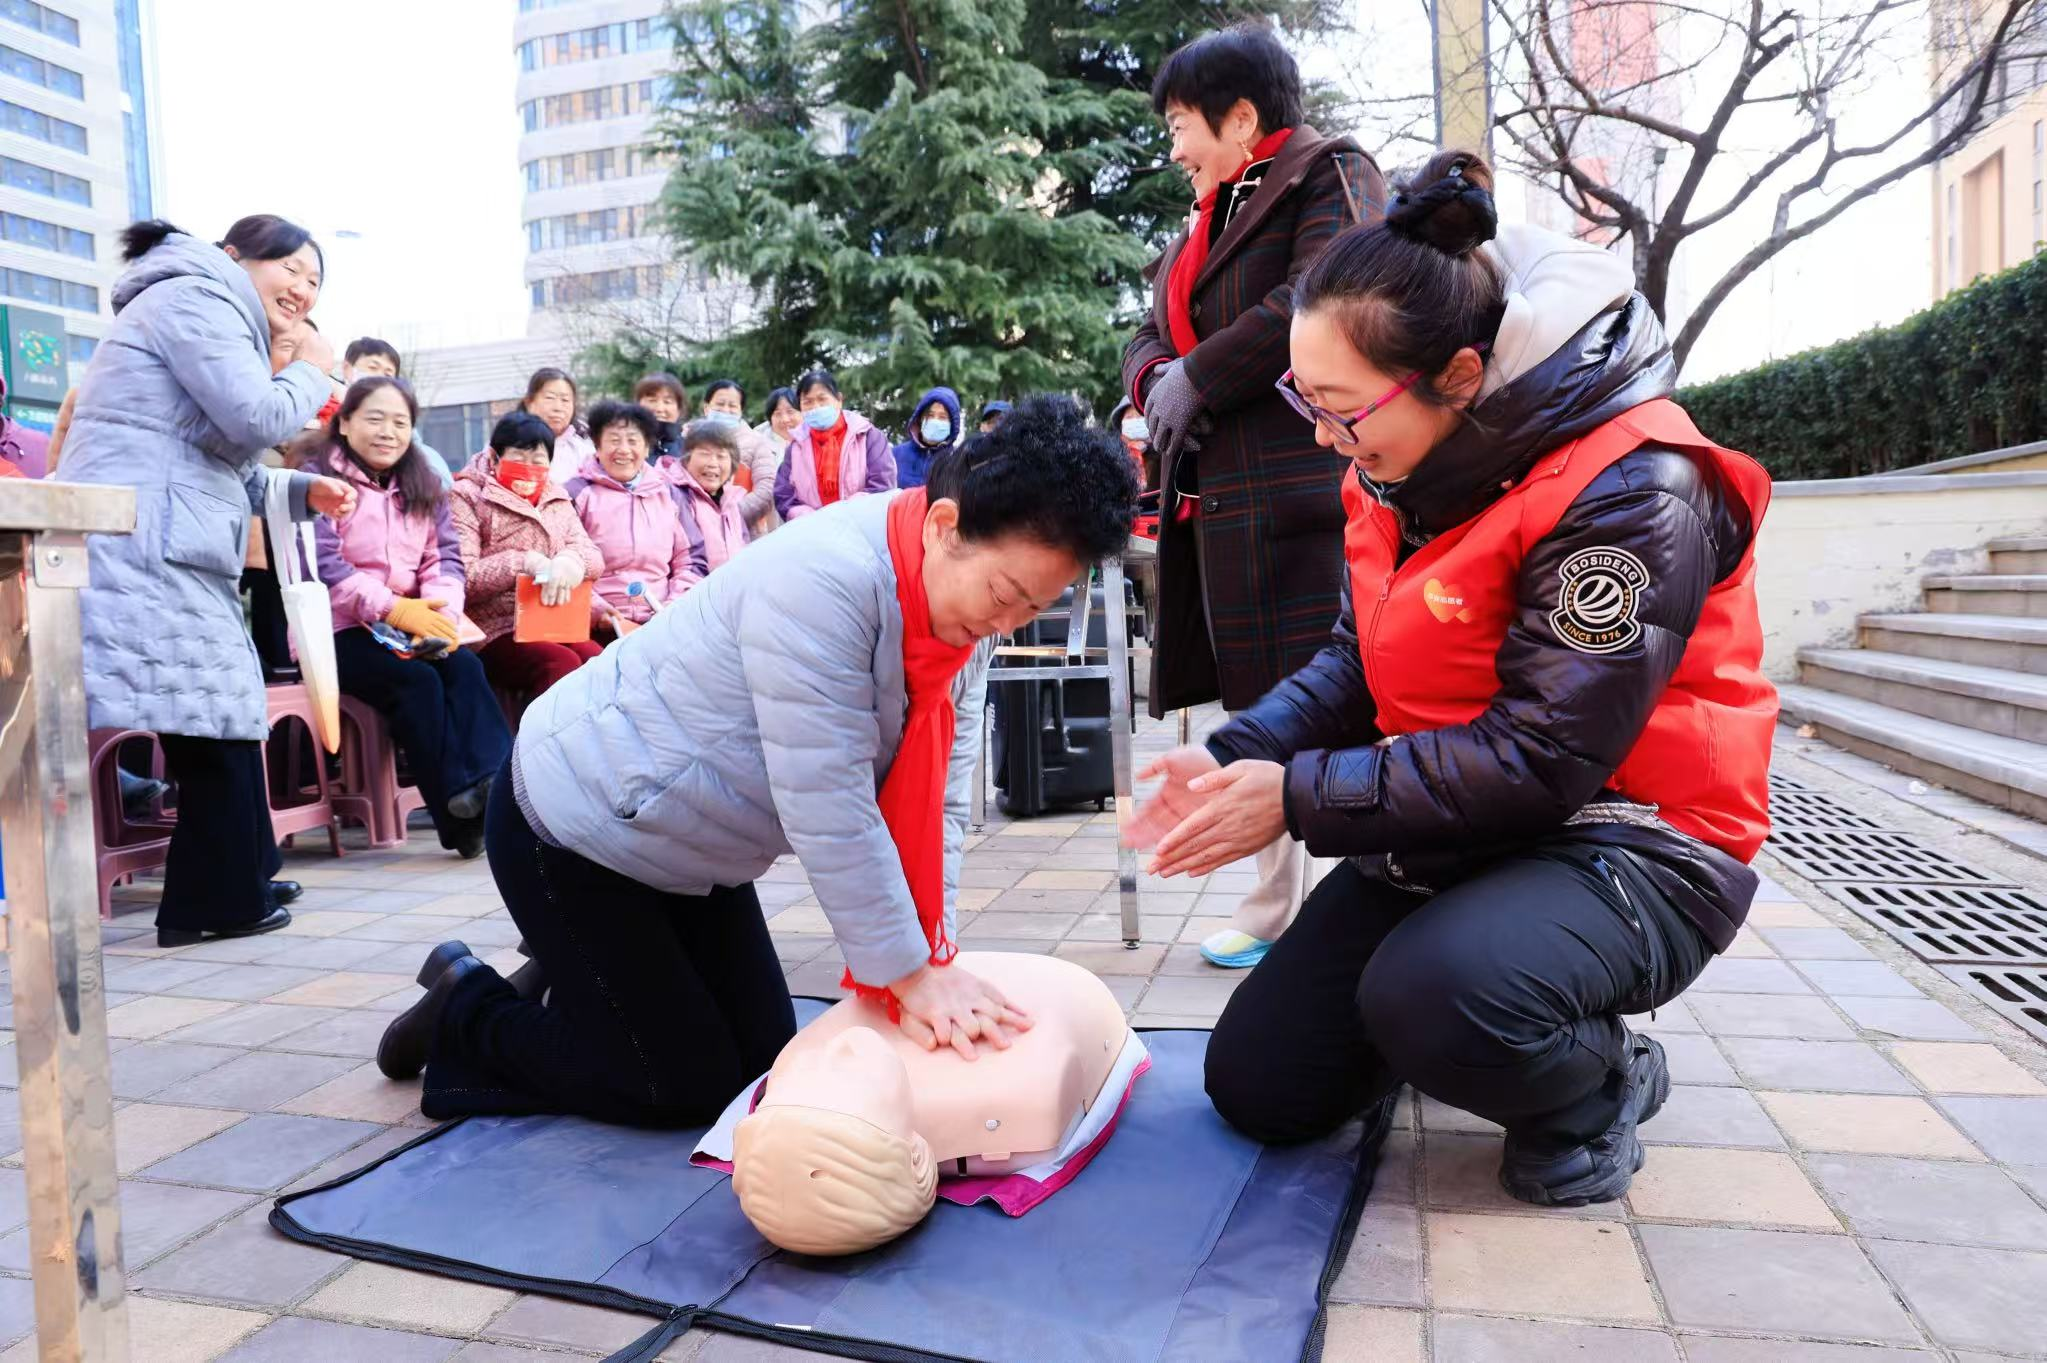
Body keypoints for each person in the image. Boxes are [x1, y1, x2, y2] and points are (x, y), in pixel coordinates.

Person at [1128, 152, 1775, 1207]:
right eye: (1309, 400)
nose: (1326, 435)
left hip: (1632, 839)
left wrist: (1294, 800)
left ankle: (1596, 1082)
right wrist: (1234, 757)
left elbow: (1545, 755)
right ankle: (1462, 1008)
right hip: (1459, 824)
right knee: (1261, 1085)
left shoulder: (1632, 489)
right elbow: (1354, 663)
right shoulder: (1392, 466)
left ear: (1462, 379)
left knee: (1437, 994)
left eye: (1341, 406)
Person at [372, 396, 1140, 1130]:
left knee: (760, 1065)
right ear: (945, 525)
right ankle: (465, 1008)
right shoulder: (826, 580)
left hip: (688, 845)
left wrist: (930, 950)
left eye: (1031, 608)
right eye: (1004, 592)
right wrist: (908, 975)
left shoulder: (958, 629)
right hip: (577, 822)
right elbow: (829, 803)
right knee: (676, 1081)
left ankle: (580, 981)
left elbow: (937, 800)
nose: (1004, 622)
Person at [1121, 24, 1387, 971]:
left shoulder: (1328, 172)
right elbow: (1146, 334)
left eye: (1182, 125)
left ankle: (1356, 902)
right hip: (1224, 508)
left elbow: (1323, 296)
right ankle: (1275, 904)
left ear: (1242, 117)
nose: (1174, 149)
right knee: (1262, 703)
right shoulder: (1202, 219)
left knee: (1336, 701)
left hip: (1309, 494)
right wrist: (1160, 378)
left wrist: (1198, 374)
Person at [65, 215, 354, 945]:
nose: (302, 287)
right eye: (289, 268)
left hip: (164, 531)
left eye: (314, 279)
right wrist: (314, 366)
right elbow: (254, 416)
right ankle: (211, 902)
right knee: (213, 718)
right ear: (235, 257)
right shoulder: (197, 298)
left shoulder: (194, 303)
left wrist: (296, 489)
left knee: (221, 710)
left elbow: (222, 452)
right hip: (150, 538)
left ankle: (242, 872)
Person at [311, 376, 512, 860]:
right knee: (416, 683)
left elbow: (444, 561)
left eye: (400, 422)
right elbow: (322, 564)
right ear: (344, 422)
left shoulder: (422, 484)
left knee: (463, 666)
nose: (388, 431)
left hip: (409, 624)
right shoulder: (319, 482)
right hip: (338, 629)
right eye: (375, 419)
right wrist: (392, 607)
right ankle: (461, 818)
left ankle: (498, 790)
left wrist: (439, 616)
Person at [452, 411, 606, 700]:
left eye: (538, 462)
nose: (528, 469)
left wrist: (572, 562)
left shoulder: (556, 498)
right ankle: (540, 744)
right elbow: (464, 576)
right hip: (496, 628)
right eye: (518, 460)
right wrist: (523, 562)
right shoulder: (467, 496)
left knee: (598, 660)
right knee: (558, 664)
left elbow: (591, 555)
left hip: (554, 619)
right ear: (495, 458)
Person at [564, 399, 705, 636]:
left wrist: (673, 607)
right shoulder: (576, 493)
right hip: (598, 623)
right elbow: (562, 559)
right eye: (614, 440)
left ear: (647, 448)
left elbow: (692, 560)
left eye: (633, 440)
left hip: (661, 619)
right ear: (597, 447)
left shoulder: (669, 493)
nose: (624, 450)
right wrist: (597, 610)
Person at [773, 369, 894, 520]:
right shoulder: (796, 446)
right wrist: (809, 518)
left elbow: (882, 485)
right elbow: (783, 494)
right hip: (813, 531)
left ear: (839, 399)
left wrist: (844, 516)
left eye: (822, 399)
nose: (815, 407)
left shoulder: (866, 436)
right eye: (807, 402)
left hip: (861, 527)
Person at [347, 337, 452, 485]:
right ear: (348, 369)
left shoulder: (424, 457)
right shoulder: (323, 409)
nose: (379, 378)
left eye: (388, 374)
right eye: (373, 368)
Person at [670, 418, 751, 572]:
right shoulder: (676, 496)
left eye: (721, 456)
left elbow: (744, 546)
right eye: (705, 454)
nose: (713, 463)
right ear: (687, 458)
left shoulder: (731, 500)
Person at [702, 377, 781, 531]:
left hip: (745, 531)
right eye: (719, 404)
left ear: (740, 411)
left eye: (732, 406)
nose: (725, 410)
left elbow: (767, 487)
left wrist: (732, 516)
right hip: (699, 532)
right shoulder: (690, 440)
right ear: (706, 408)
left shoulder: (756, 442)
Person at [520, 367, 594, 487]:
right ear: (529, 403)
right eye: (550, 398)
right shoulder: (507, 443)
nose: (558, 408)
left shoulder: (586, 451)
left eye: (565, 400)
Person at [890, 386, 962, 490]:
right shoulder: (895, 455)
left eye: (942, 417)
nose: (935, 421)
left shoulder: (957, 461)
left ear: (952, 424)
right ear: (920, 418)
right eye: (930, 415)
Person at [633, 371, 688, 463]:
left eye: (667, 402)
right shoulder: (625, 444)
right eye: (652, 400)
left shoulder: (689, 449)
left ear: (679, 409)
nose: (659, 408)